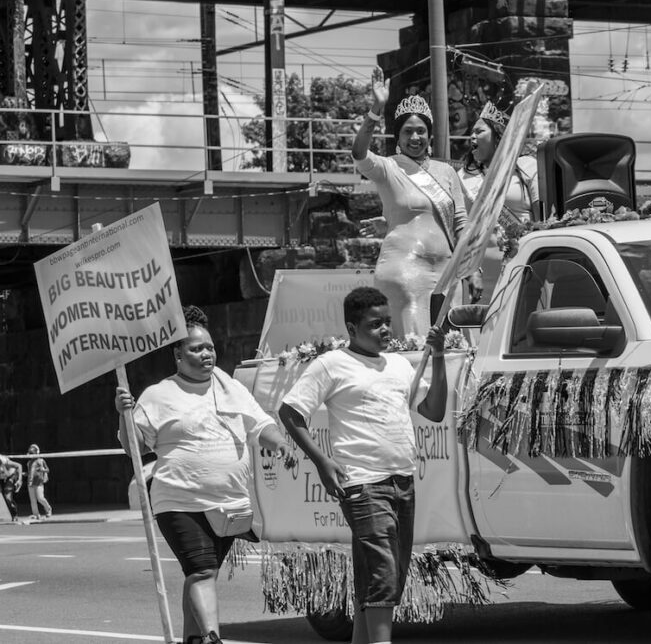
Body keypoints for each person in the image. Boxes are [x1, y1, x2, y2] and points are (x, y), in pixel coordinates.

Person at [278, 286, 449, 644]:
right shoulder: (331, 364)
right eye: (375, 324)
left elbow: (434, 411)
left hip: (402, 481)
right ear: (352, 329)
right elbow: (290, 412)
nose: (385, 329)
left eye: (387, 321)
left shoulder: (399, 364)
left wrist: (438, 356)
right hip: (362, 484)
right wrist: (322, 462)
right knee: (384, 573)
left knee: (381, 575)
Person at [115, 305, 295, 644]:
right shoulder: (158, 395)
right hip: (179, 502)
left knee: (198, 576)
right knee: (202, 571)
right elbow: (134, 448)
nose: (206, 354)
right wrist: (124, 415)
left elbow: (260, 426)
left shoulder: (231, 388)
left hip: (229, 506)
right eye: (197, 348)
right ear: (178, 355)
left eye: (209, 347)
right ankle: (213, 638)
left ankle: (193, 639)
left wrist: (280, 444)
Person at [352, 66, 468, 339]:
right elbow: (359, 153)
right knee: (414, 345)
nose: (415, 138)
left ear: (429, 135)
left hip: (447, 271)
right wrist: (376, 109)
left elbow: (461, 222)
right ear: (398, 136)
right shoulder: (388, 168)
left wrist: (469, 266)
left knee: (456, 345)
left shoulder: (447, 172)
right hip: (405, 271)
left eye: (421, 131)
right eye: (407, 132)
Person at [458, 101, 539, 302]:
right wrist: (470, 272)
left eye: (479, 131)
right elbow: (461, 230)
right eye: (471, 132)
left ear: (498, 136)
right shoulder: (465, 177)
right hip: (482, 277)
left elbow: (543, 219)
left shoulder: (526, 166)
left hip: (525, 267)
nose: (472, 137)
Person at [25, 444, 52, 520]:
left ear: (37, 452)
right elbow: (30, 473)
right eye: (30, 453)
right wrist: (25, 474)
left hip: (39, 482)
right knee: (33, 500)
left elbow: (47, 470)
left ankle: (48, 509)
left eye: (32, 452)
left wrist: (42, 470)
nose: (31, 454)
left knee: (40, 498)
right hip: (30, 482)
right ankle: (36, 514)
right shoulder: (29, 463)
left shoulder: (41, 460)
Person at [0, 454, 22, 522]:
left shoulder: (4, 461)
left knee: (8, 497)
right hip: (2, 477)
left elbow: (19, 465)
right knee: (4, 497)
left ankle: (14, 515)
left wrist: (19, 480)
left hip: (10, 475)